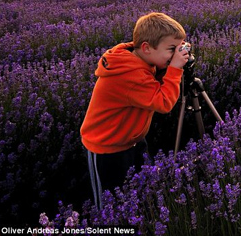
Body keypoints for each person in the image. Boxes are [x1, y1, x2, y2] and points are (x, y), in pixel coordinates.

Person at [80, 12, 190, 209]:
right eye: (172, 49)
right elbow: (163, 103)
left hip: (132, 140)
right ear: (146, 47)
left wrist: (168, 60)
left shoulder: (139, 57)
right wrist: (174, 70)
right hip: (108, 148)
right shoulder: (130, 75)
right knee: (111, 206)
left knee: (139, 193)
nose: (176, 54)